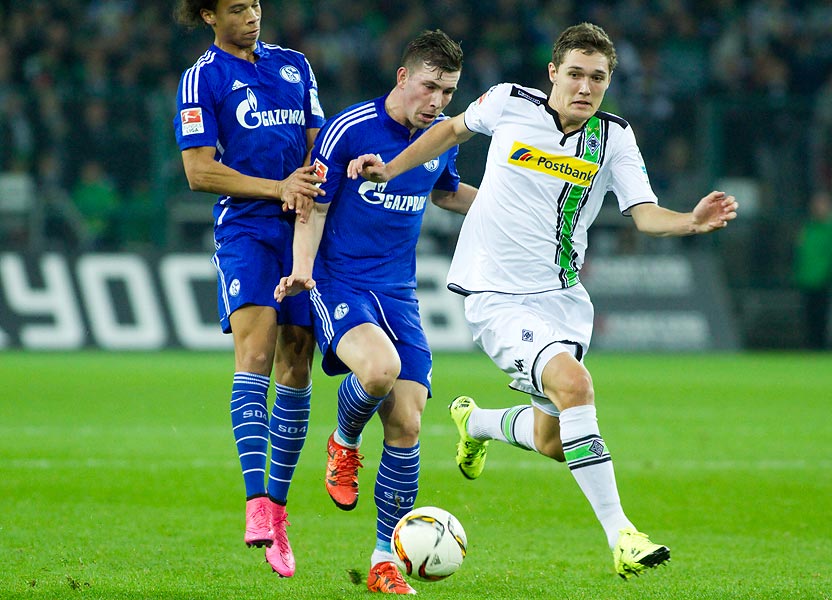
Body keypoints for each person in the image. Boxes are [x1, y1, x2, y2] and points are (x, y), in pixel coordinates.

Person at [348, 22, 738, 579]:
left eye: (597, 78)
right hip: (495, 294)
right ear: (553, 72)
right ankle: (622, 534)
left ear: (608, 83)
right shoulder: (509, 102)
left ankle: (477, 424)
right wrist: (392, 166)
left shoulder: (615, 138)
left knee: (556, 440)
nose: (584, 87)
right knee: (575, 385)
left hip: (563, 300)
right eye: (575, 73)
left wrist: (690, 222)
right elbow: (451, 132)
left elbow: (644, 214)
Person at [275, 30, 476, 594]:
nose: (437, 101)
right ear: (403, 78)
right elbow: (313, 204)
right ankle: (342, 439)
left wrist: (518, 209)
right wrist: (303, 269)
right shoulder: (350, 129)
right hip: (340, 282)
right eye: (430, 86)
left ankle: (384, 560)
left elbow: (446, 193)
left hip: (399, 293)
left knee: (409, 422)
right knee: (380, 370)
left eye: (449, 90)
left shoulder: (442, 137)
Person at [173, 0, 326, 578]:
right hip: (246, 227)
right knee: (255, 354)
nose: (253, 16)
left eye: (257, 4)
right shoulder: (202, 78)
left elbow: (318, 138)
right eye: (238, 8)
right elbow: (199, 171)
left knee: (296, 362)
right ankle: (256, 502)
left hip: (303, 225)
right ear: (209, 15)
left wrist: (308, 183)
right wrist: (276, 187)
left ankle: (280, 512)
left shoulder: (295, 65)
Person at [793, 190, 832, 350]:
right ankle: (811, 347)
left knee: (823, 317)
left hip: (824, 281)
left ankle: (823, 348)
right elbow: (801, 254)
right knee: (808, 317)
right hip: (806, 280)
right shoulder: (807, 228)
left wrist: (828, 274)